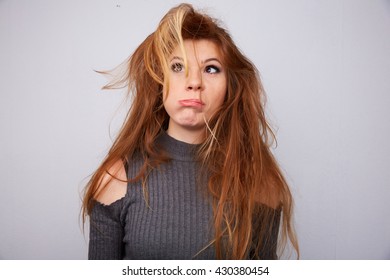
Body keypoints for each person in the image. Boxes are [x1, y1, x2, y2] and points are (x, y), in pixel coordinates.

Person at [82, 3, 299, 260]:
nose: (194, 82)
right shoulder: (117, 179)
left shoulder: (259, 182)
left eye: (211, 69)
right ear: (160, 80)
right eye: (177, 67)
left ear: (231, 87)